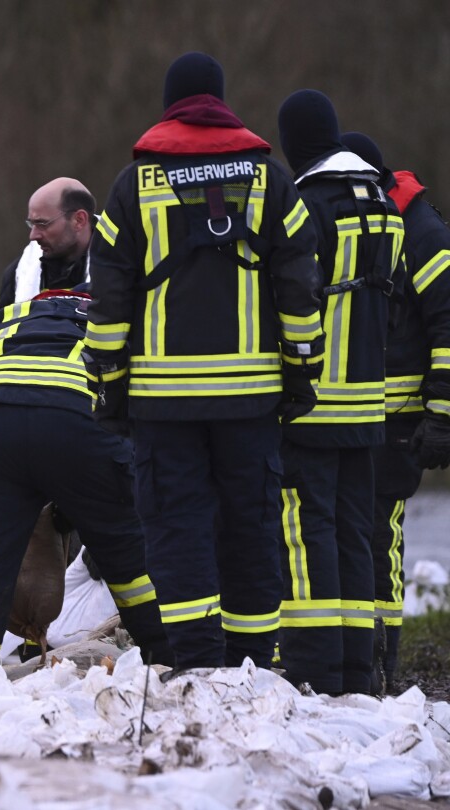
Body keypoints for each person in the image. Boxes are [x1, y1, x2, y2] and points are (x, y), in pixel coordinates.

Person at [83, 52, 324, 676]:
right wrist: (301, 370)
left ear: (170, 106)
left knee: (176, 527)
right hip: (252, 400)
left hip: (163, 404)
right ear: (221, 103)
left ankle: (196, 665)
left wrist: (108, 386)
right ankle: (250, 666)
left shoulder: (132, 186)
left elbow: (108, 303)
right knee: (252, 526)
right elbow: (299, 286)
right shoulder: (271, 182)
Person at [0, 287, 173, 687]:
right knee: (133, 566)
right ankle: (172, 670)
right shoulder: (122, 316)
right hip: (79, 420)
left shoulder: (1, 319)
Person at [276, 92, 404, 695]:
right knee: (357, 531)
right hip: (369, 402)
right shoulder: (384, 204)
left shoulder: (306, 206)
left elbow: (297, 299)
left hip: (314, 403)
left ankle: (317, 673)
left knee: (308, 533)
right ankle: (359, 671)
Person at [342, 131, 450, 689]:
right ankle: (364, 659)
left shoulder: (421, 232)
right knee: (354, 536)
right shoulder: (373, 224)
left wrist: (441, 415)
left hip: (399, 423)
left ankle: (383, 665)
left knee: (381, 540)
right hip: (355, 417)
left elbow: (447, 324)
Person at [0, 178, 97, 310]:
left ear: (79, 220)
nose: (33, 236)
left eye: (42, 224)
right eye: (32, 224)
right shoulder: (18, 274)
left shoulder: (122, 264)